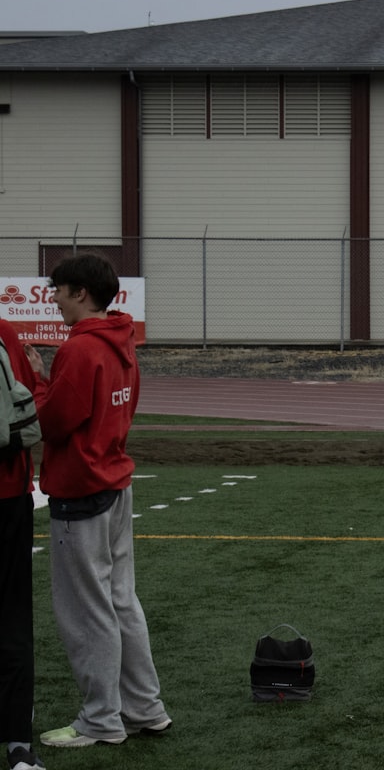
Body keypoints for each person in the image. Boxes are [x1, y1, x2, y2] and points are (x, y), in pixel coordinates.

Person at [24, 254, 171, 749]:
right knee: (120, 601)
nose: (55, 300)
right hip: (114, 481)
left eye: (59, 291)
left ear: (80, 293)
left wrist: (36, 381)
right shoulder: (121, 340)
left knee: (86, 611)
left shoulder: (80, 349)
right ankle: (144, 708)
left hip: (83, 487)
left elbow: (52, 421)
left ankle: (100, 719)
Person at [0, 320, 45, 770]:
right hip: (8, 491)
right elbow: (26, 405)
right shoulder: (6, 333)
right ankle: (17, 741)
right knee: (12, 616)